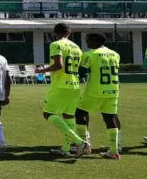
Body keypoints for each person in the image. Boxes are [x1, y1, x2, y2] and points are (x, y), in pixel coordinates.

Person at [34, 23, 90, 157]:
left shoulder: (56, 44)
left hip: (60, 85)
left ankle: (78, 141)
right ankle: (65, 149)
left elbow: (59, 65)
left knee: (48, 114)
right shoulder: (77, 47)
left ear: (55, 32)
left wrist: (42, 70)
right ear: (69, 32)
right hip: (75, 85)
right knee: (69, 116)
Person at [76, 33, 122, 159]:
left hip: (95, 91)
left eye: (88, 40)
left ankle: (84, 144)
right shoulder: (115, 54)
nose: (86, 43)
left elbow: (81, 72)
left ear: (94, 41)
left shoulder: (90, 54)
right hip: (113, 90)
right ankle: (114, 151)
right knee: (109, 118)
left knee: (80, 114)